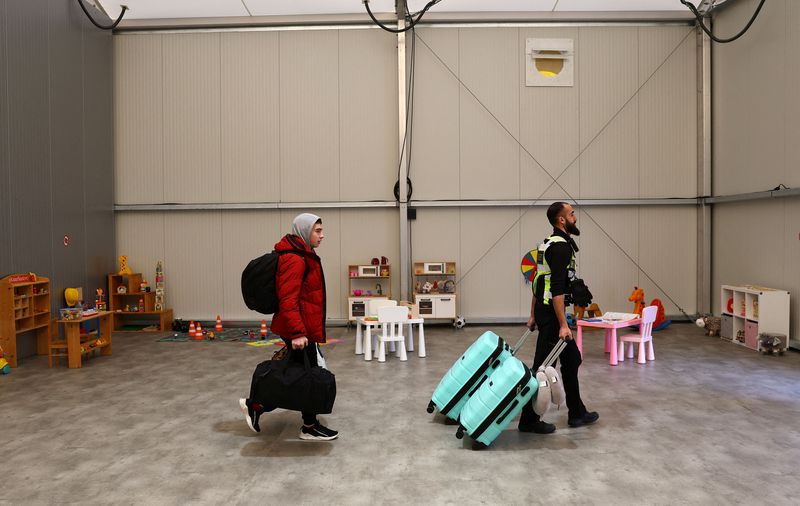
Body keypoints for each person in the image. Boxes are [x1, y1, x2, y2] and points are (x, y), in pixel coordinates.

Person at [239, 213, 338, 441]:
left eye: (321, 230)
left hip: (302, 328)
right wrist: (297, 333)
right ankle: (308, 426)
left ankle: (258, 406)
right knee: (306, 375)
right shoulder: (294, 259)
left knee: (296, 376)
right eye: (317, 231)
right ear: (304, 231)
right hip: (297, 330)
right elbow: (288, 299)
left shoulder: (305, 254)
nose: (322, 235)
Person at [518, 202, 599, 434]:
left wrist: (533, 314)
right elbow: (555, 288)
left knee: (572, 359)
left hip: (546, 313)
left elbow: (537, 281)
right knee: (542, 369)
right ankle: (528, 420)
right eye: (572, 214)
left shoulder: (548, 244)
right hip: (554, 318)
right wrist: (563, 324)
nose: (576, 217)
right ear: (561, 220)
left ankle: (577, 412)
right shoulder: (561, 248)